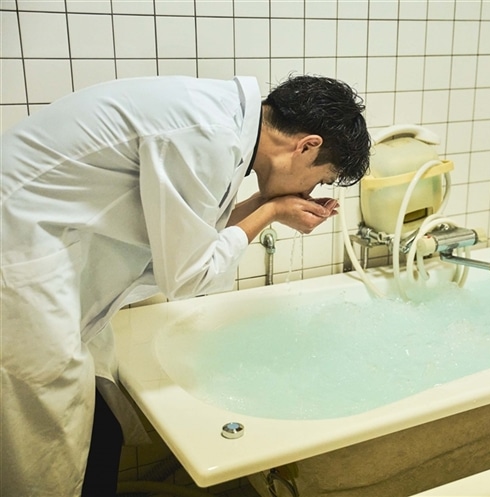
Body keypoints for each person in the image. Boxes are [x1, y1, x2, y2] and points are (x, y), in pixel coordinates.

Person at [0, 74, 370, 496]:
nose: (311, 189)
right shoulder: (208, 137)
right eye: (319, 179)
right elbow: (189, 276)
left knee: (97, 423)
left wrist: (264, 205)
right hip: (17, 263)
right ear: (307, 146)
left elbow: (193, 236)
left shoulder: (219, 122)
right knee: (47, 444)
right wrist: (269, 213)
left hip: (42, 254)